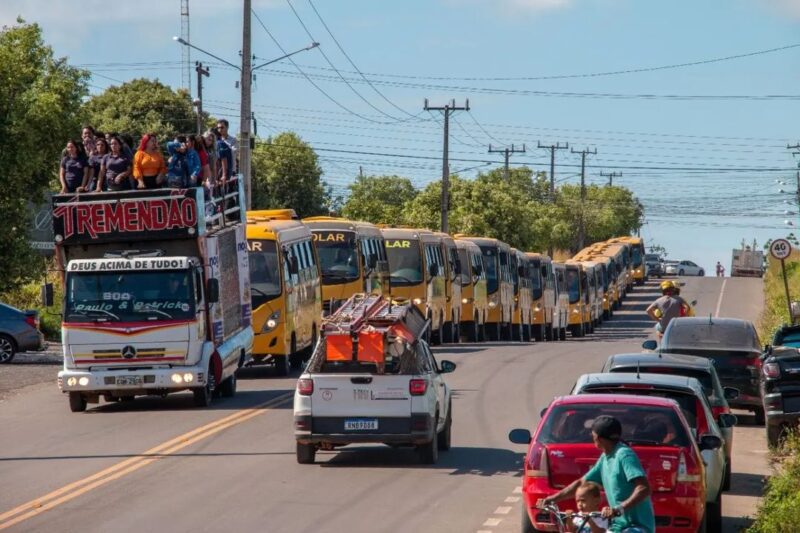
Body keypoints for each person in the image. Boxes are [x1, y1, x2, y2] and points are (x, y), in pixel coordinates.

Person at [538, 416, 655, 533]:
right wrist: (551, 499)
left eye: (593, 435)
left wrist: (619, 509)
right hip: (618, 526)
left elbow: (644, 488)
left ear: (598, 438)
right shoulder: (605, 457)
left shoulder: (624, 455)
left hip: (637, 526)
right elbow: (581, 483)